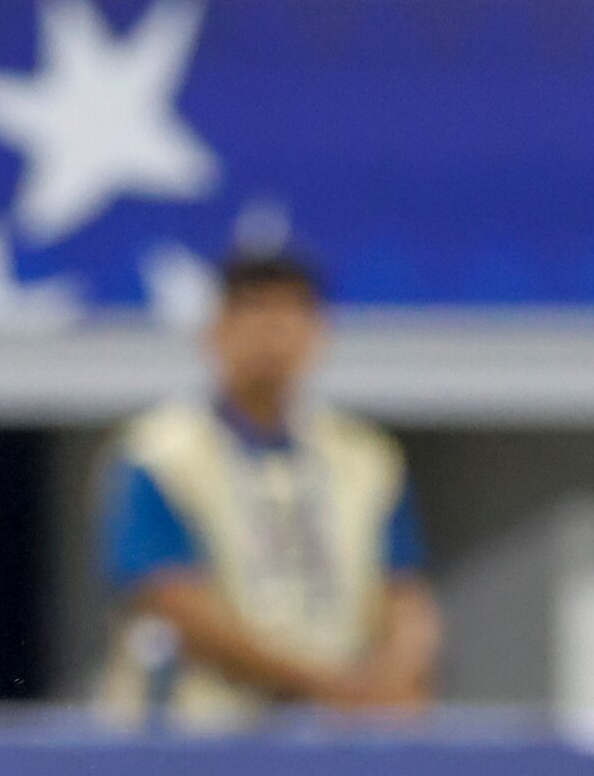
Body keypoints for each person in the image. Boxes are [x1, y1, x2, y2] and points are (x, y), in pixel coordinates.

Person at [96, 249, 441, 728]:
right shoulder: (162, 452)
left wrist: (392, 683)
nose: (272, 333)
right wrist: (325, 685)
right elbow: (174, 602)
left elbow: (404, 594)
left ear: (319, 332)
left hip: (337, 734)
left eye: (290, 313)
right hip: (200, 738)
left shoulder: (364, 457)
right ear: (214, 330)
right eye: (253, 311)